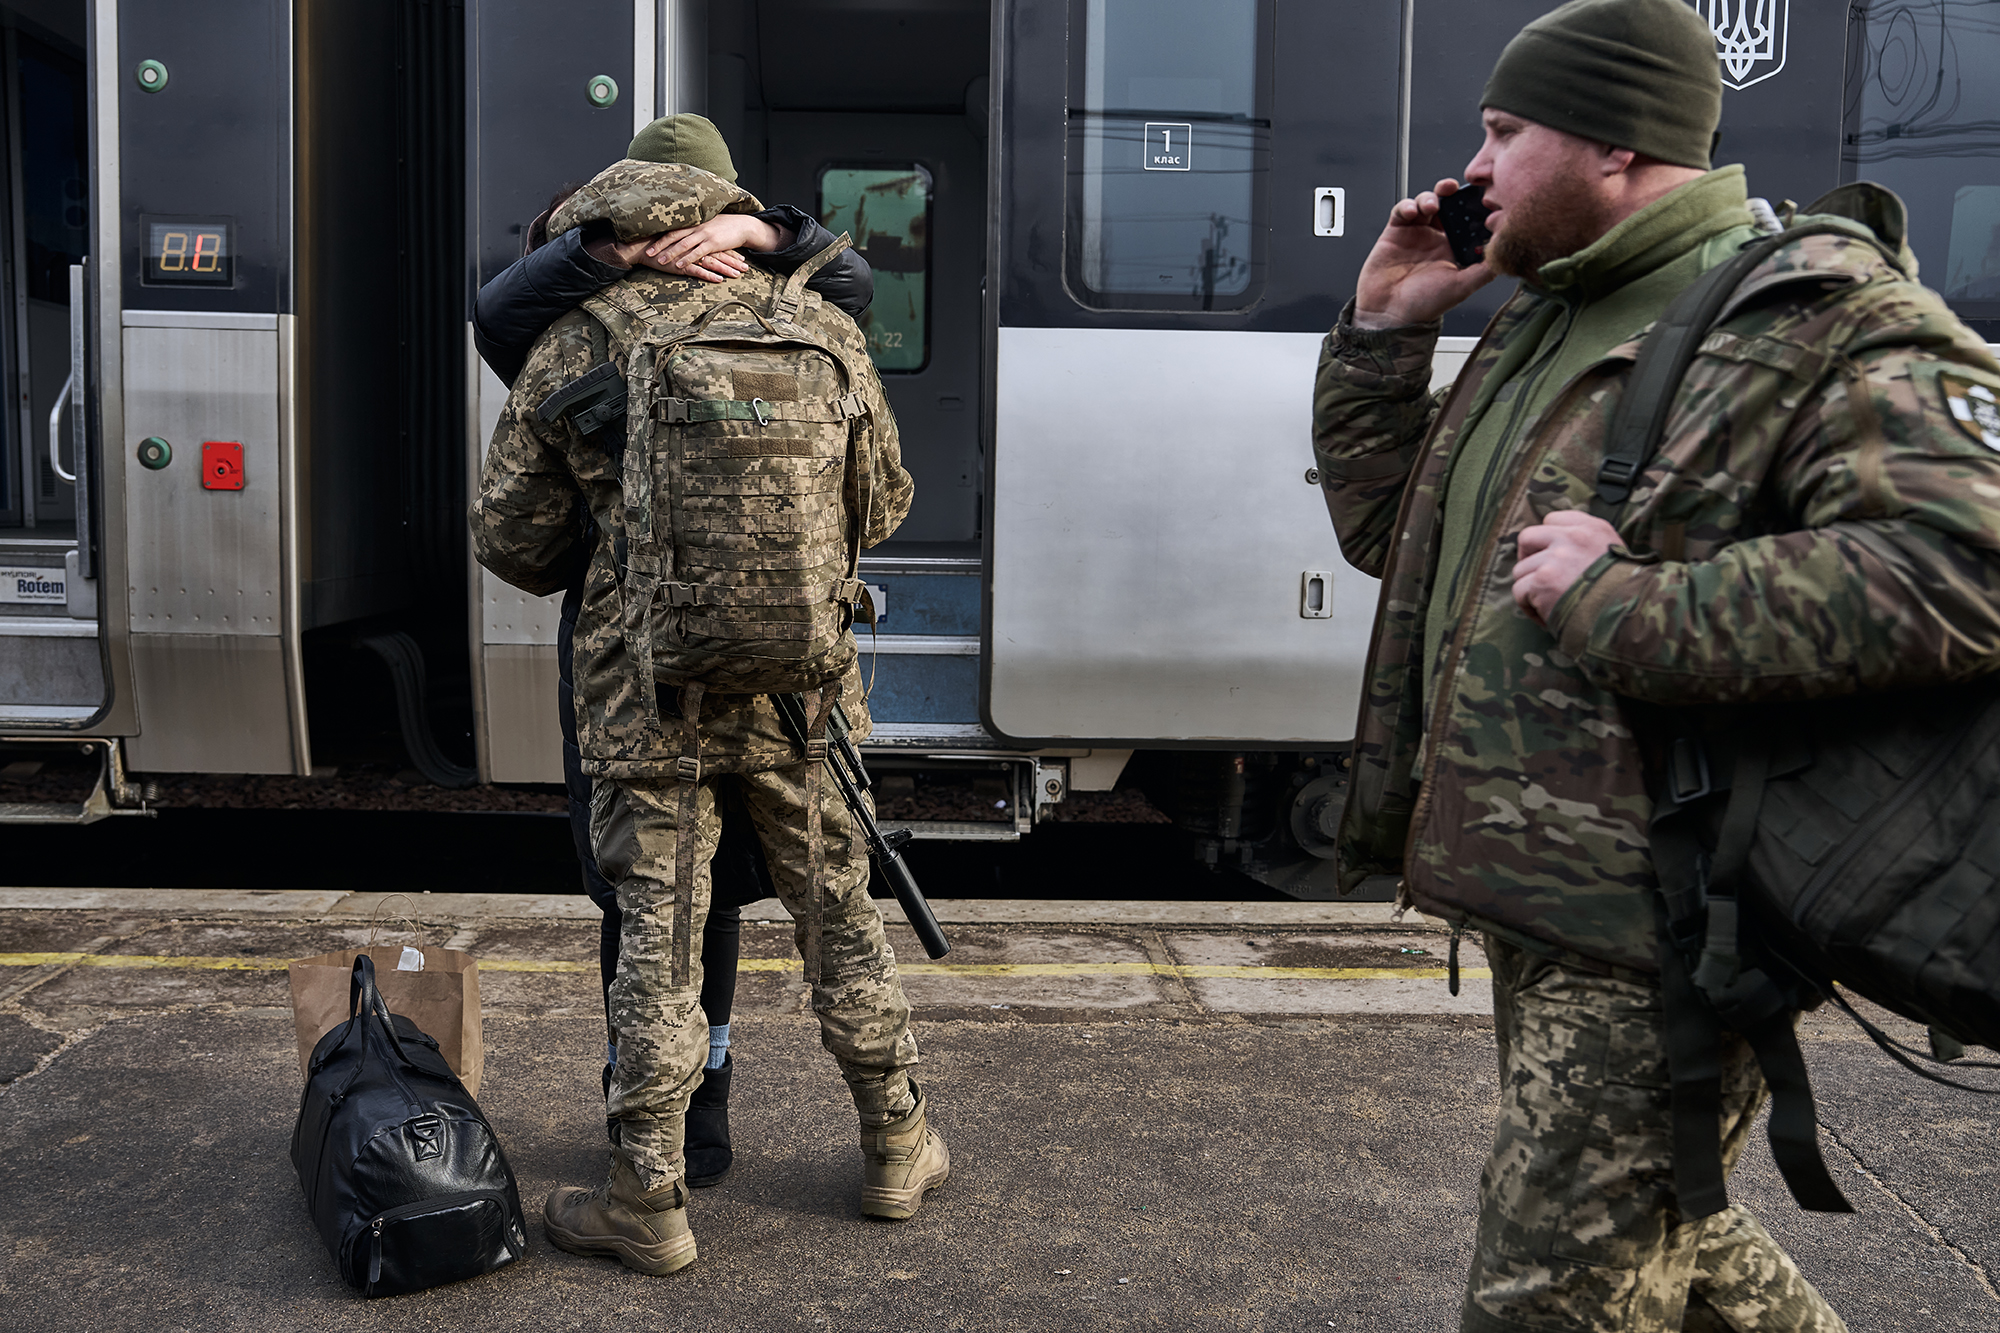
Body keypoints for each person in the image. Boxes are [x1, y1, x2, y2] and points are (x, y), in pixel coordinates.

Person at [1311, 1, 2000, 1329]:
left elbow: (1966, 565)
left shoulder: (1818, 312)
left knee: (1548, 1297)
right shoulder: (1544, 310)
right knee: (1678, 1234)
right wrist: (1386, 333)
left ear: (1618, 144)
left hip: (1667, 922)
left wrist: (1624, 603)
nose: (1477, 164)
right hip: (1546, 905)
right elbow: (1395, 543)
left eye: (1506, 131)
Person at [471, 154, 947, 1276]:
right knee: (838, 916)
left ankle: (650, 1192)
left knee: (657, 937)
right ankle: (894, 1141)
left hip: (648, 699)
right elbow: (880, 504)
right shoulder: (818, 329)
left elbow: (511, 542)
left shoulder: (576, 339)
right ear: (729, 216)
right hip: (801, 694)